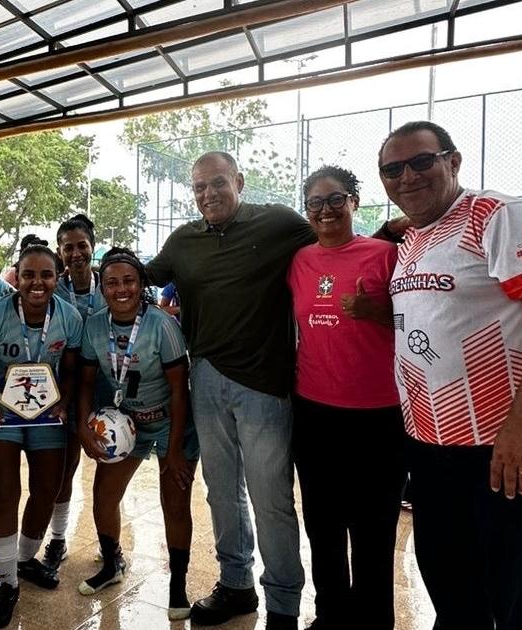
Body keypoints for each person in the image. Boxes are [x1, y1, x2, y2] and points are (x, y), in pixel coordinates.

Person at [381, 120, 522, 629]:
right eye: (392, 169)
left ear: (453, 161)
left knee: (517, 595)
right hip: (433, 445)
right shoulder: (413, 237)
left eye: (421, 162)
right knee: (451, 582)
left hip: (508, 446)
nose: (407, 176)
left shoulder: (500, 216)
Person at [144, 151, 318, 629]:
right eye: (199, 187)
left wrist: (392, 231)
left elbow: (332, 241)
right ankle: (236, 585)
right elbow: (140, 278)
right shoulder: (184, 240)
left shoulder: (279, 223)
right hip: (205, 378)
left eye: (218, 183)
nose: (209, 194)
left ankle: (283, 604)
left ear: (239, 182)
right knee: (221, 493)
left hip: (264, 385)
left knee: (271, 499)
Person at [286, 166, 403, 630]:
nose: (326, 210)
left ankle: (373, 622)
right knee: (323, 525)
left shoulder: (386, 255)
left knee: (373, 529)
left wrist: (380, 311)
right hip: (314, 413)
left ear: (354, 201)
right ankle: (331, 615)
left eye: (336, 199)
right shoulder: (299, 261)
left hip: (379, 415)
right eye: (315, 203)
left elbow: (424, 320)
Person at [76, 247, 198, 621]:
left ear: (141, 283)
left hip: (172, 421)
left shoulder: (161, 325)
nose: (121, 289)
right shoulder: (95, 326)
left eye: (128, 280)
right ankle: (112, 564)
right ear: (102, 288)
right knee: (103, 496)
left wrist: (174, 451)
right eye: (111, 282)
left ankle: (178, 585)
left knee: (174, 503)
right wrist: (82, 425)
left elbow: (179, 391)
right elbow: (85, 382)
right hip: (127, 423)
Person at [0, 244, 84, 628]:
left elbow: (71, 369)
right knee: (5, 492)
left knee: (47, 489)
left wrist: (64, 402)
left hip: (46, 412)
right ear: (16, 277)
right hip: (2, 411)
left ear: (57, 277)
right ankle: (7, 583)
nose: (38, 283)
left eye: (46, 275)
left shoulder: (68, 317)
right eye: (29, 275)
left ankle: (22, 560)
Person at [44, 213, 109, 571]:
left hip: (108, 391)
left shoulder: (110, 285)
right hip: (66, 392)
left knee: (110, 472)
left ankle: (109, 543)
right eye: (67, 248)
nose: (75, 253)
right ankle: (57, 539)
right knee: (64, 470)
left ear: (92, 247)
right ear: (60, 252)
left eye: (81, 246)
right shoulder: (53, 289)